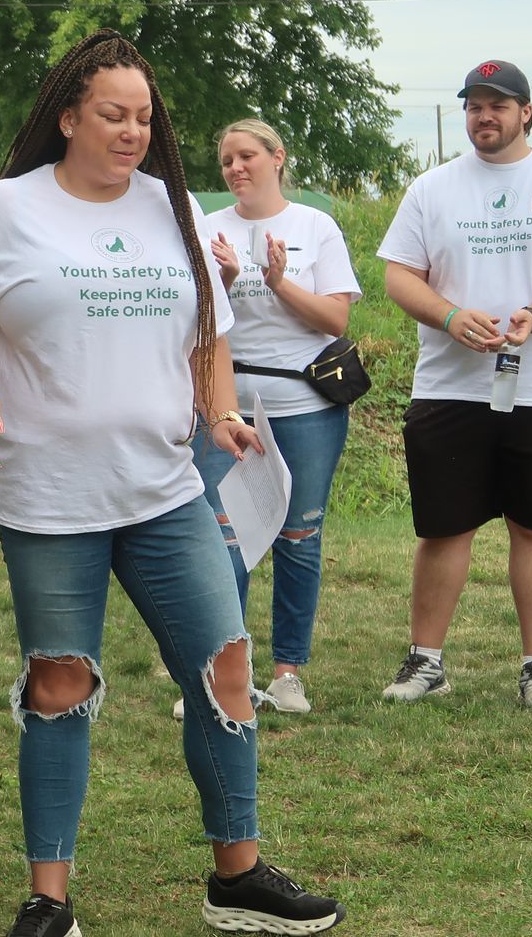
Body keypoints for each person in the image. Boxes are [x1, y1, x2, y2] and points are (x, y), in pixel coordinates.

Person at [0, 30, 345, 937]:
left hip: (166, 487)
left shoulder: (171, 206)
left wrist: (221, 407)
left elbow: (211, 333)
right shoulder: (0, 210)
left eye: (145, 116)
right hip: (49, 496)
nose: (133, 131)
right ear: (67, 117)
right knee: (60, 683)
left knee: (224, 664)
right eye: (113, 114)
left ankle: (237, 875)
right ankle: (50, 900)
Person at [376, 59, 532, 712]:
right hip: (450, 388)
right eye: (474, 105)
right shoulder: (432, 189)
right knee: (444, 529)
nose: (484, 117)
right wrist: (448, 315)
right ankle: (426, 662)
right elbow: (399, 275)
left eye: (498, 105)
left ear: (527, 112)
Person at [186, 119, 359, 716]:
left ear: (277, 157)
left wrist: (278, 281)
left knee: (298, 538)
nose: (236, 168)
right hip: (229, 409)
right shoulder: (206, 230)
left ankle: (288, 675)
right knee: (224, 538)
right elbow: (196, 324)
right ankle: (222, 673)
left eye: (247, 156)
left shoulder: (315, 225)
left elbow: (335, 321)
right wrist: (227, 282)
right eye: (227, 159)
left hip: (305, 408)